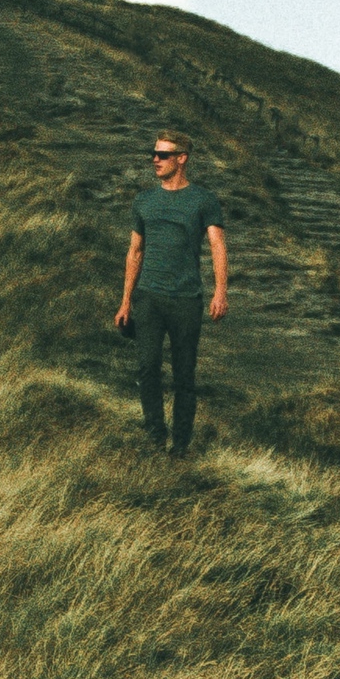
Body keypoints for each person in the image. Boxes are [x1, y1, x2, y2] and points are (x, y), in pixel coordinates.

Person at [112, 133, 226, 454]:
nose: (155, 160)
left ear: (182, 158)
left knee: (183, 375)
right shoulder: (144, 201)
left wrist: (220, 292)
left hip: (186, 300)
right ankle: (154, 434)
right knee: (147, 368)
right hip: (149, 298)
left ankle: (180, 445)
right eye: (154, 154)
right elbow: (135, 252)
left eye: (163, 155)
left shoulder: (204, 200)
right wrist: (125, 303)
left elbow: (218, 245)